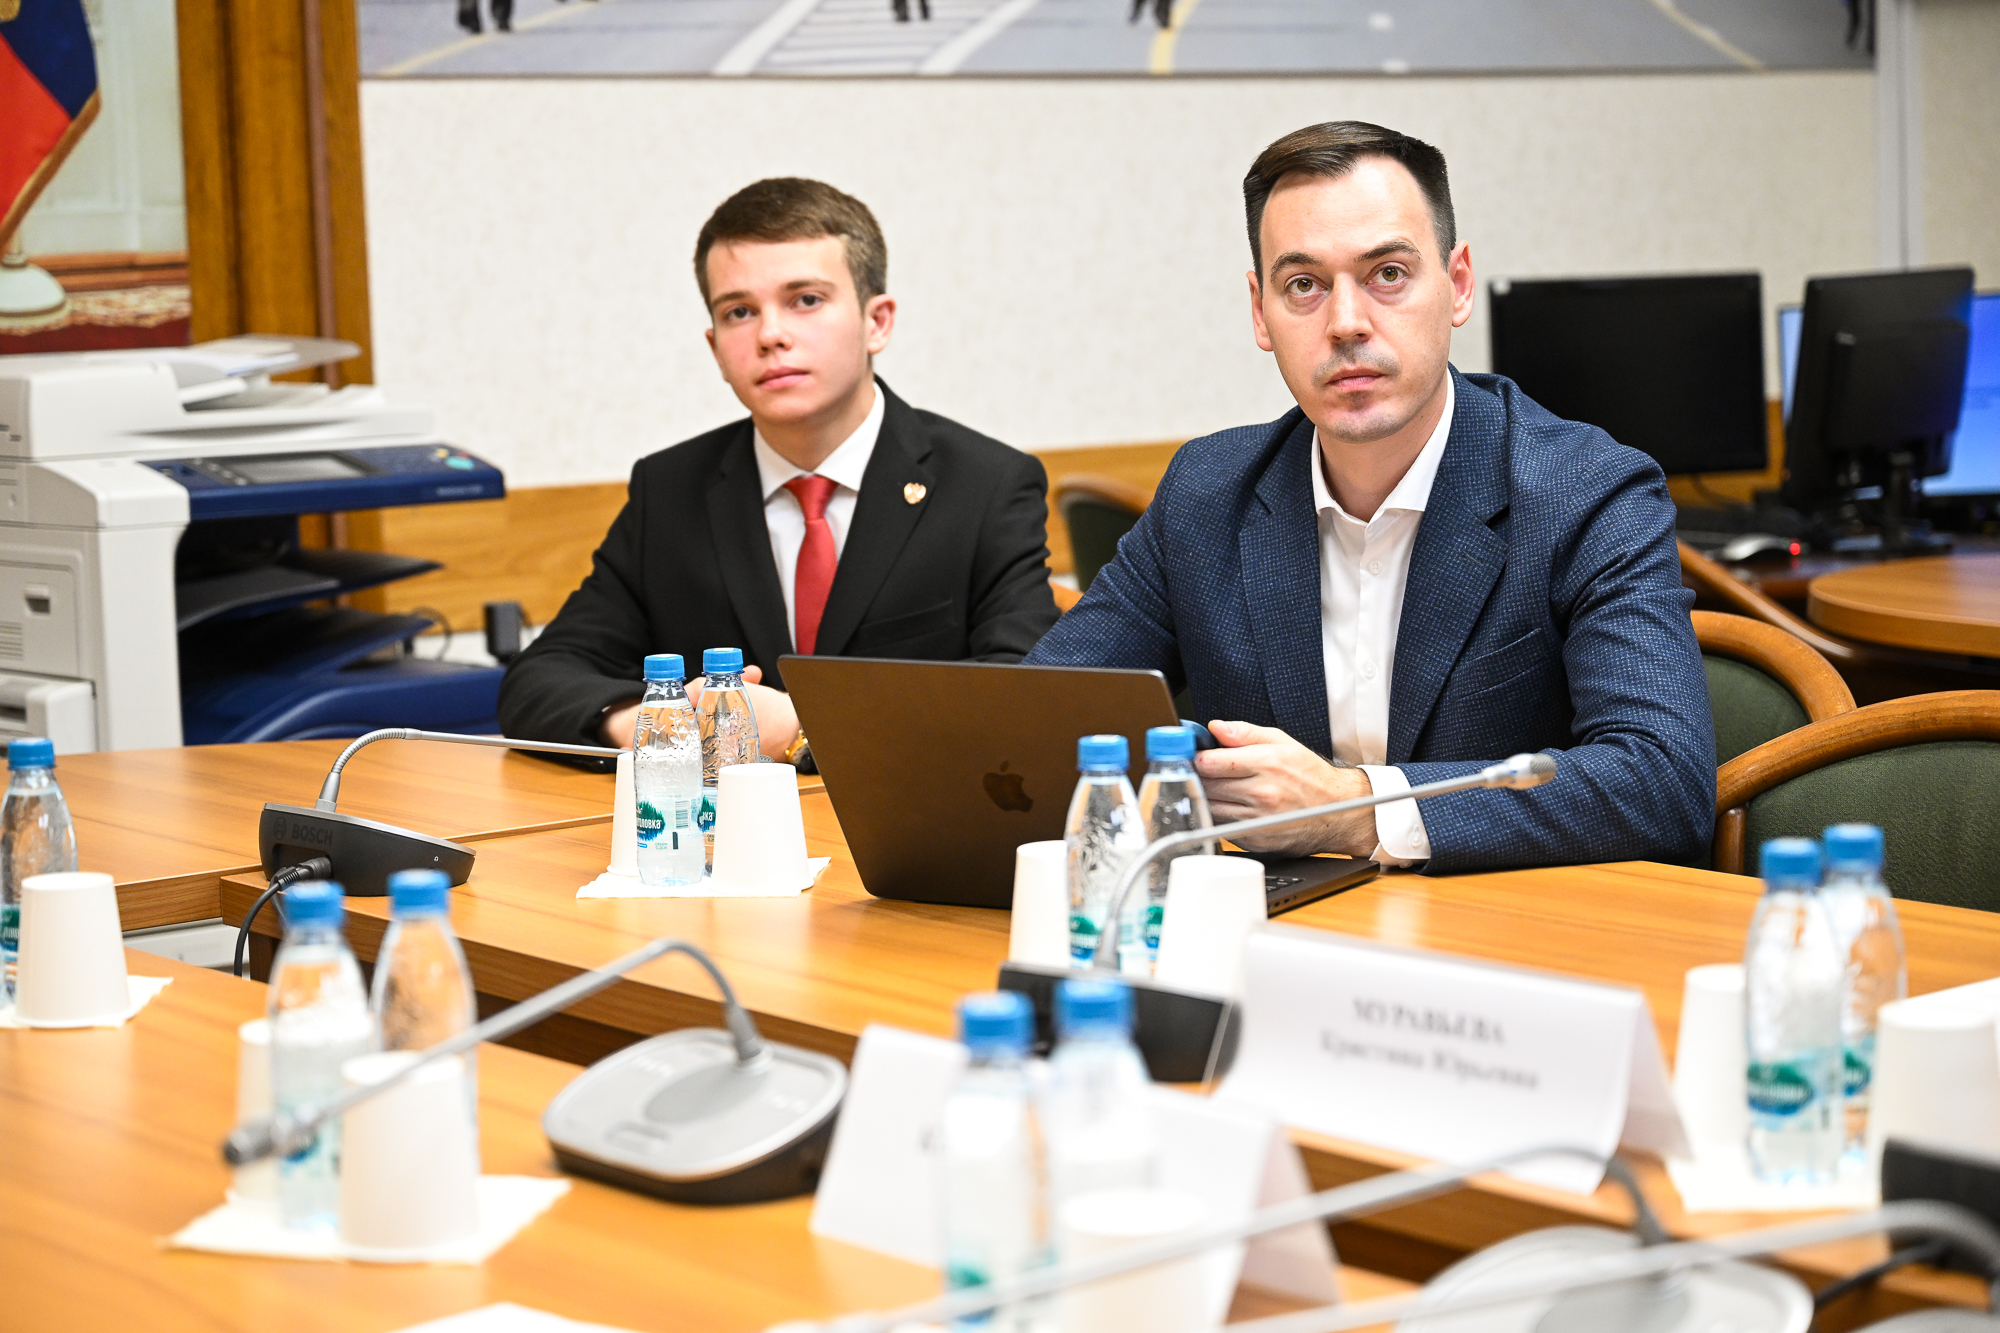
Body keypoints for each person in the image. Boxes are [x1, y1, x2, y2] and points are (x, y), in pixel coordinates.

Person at [1026, 121, 1714, 873]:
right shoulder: (1207, 493)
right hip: (1276, 928)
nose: (1346, 323)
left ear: (1457, 284)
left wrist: (1353, 809)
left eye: (1387, 274)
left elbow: (1662, 782)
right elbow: (1038, 721)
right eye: (1304, 286)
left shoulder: (1586, 492)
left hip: (1505, 929)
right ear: (1260, 311)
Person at [500, 178, 1059, 760]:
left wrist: (802, 727)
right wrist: (659, 725)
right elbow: (541, 678)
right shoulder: (670, 490)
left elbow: (1023, 690)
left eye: (806, 300)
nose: (770, 335)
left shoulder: (986, 485)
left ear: (877, 322)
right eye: (739, 312)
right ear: (716, 349)